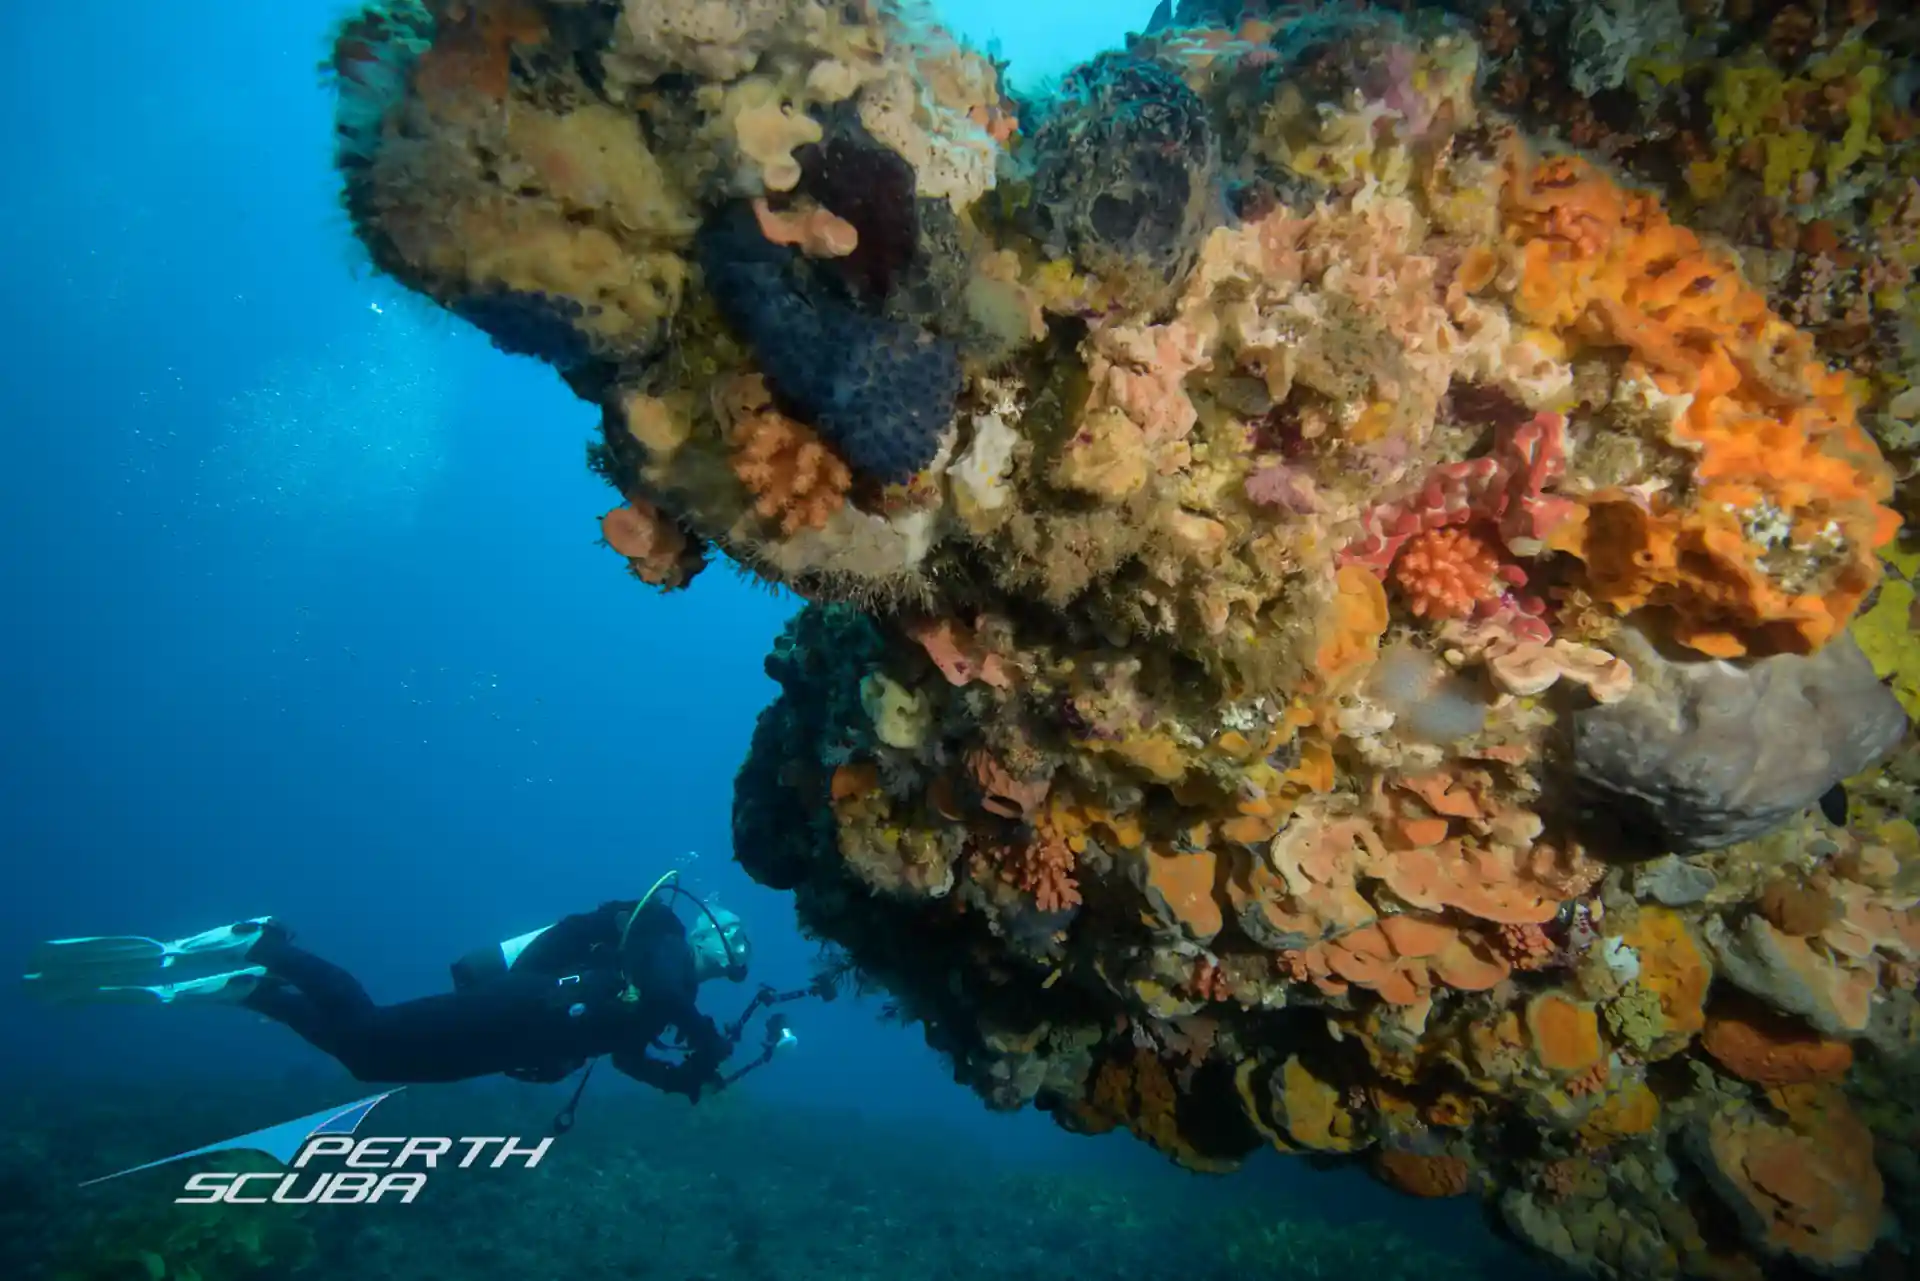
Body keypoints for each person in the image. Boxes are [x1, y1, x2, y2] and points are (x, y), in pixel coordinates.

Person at [21, 884, 753, 1102]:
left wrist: (682, 1077)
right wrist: (704, 1034)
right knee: (368, 1029)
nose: (732, 959)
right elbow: (660, 993)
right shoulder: (660, 930)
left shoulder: (669, 990)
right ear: (711, 928)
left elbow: (628, 1055)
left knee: (367, 1061)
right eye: (733, 944)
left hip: (523, 1040)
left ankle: (257, 989)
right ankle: (270, 946)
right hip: (523, 1003)